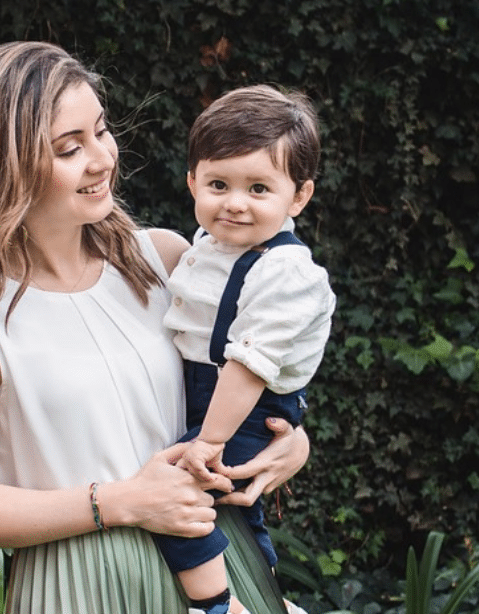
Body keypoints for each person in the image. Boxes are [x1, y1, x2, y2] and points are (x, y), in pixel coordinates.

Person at [0, 41, 311, 614]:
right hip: (77, 583)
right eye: (69, 148)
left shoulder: (168, 260)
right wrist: (123, 502)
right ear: (4, 166)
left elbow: (251, 375)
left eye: (100, 132)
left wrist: (292, 443)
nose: (103, 158)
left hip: (217, 568)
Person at [155, 85, 336, 614]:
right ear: (192, 182)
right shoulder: (207, 247)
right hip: (212, 399)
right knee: (240, 514)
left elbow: (248, 369)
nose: (234, 203)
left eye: (259, 188)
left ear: (298, 197)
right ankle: (268, 593)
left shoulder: (287, 272)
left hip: (246, 407)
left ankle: (217, 605)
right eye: (218, 184)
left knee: (179, 495)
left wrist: (207, 444)